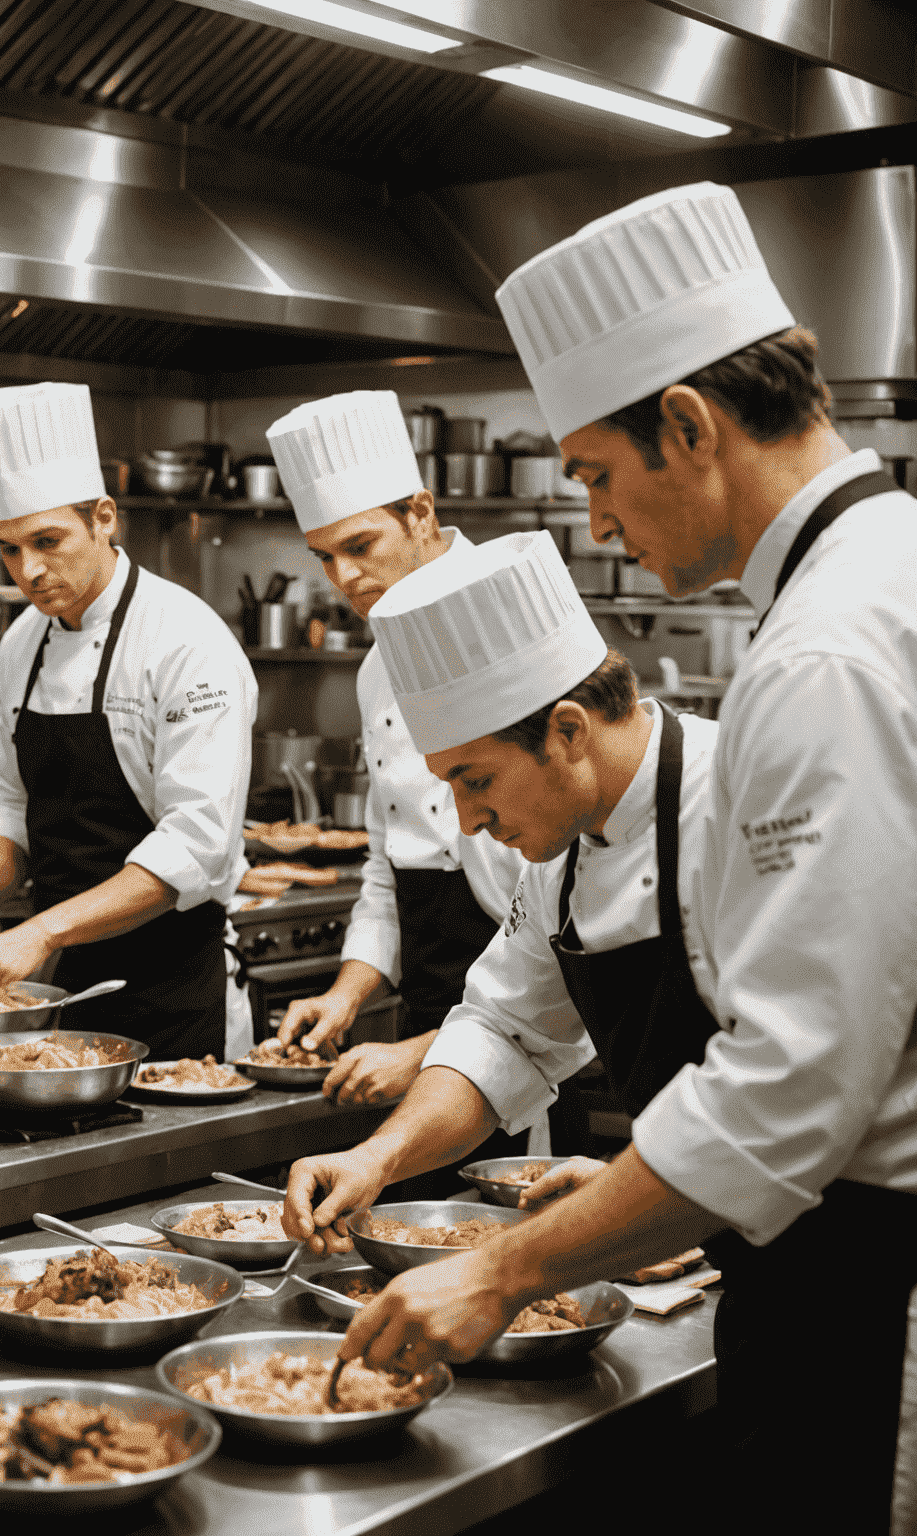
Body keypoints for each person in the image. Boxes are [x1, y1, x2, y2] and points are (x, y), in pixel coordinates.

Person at [327, 182, 917, 1531]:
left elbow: (792, 1091)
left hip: (871, 1287)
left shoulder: (819, 655)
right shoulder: (880, 575)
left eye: (595, 472)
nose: (597, 522)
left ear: (691, 427)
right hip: (816, 1250)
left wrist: (502, 1269)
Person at [283, 529, 719, 1259]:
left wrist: (641, 1199)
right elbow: (504, 1034)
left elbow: (798, 1082)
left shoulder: (742, 806)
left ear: (569, 731)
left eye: (474, 781)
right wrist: (377, 1160)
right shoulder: (563, 858)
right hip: (717, 1226)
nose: (467, 821)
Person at [0, 383, 257, 1060]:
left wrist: (41, 933)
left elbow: (196, 846)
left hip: (175, 987)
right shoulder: (23, 642)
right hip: (66, 981)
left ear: (105, 517)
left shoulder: (187, 641)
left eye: (47, 540)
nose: (30, 570)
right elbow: (11, 800)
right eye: (9, 550)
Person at [261, 392, 524, 1134]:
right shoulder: (379, 665)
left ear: (420, 512)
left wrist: (435, 1052)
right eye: (324, 558)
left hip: (526, 1004)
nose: (342, 578)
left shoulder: (513, 625)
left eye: (360, 547)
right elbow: (389, 856)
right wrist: (348, 993)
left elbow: (563, 898)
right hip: (432, 992)